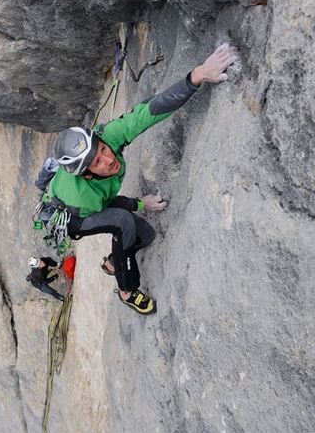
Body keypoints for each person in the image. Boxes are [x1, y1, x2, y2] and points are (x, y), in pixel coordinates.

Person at [49, 43, 239, 315]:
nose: (109, 159)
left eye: (102, 150)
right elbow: (110, 207)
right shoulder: (83, 196)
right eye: (98, 163)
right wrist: (140, 204)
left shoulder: (108, 138)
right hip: (72, 216)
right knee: (123, 222)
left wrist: (196, 76)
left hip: (84, 199)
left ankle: (114, 262)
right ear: (88, 174)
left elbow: (147, 113)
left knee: (146, 235)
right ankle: (127, 291)